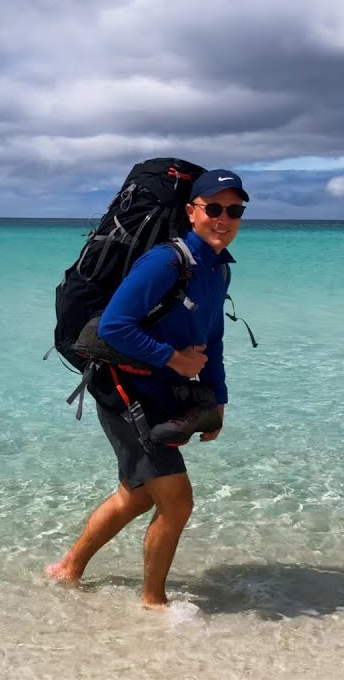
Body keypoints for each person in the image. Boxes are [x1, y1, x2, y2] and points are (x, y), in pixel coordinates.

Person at [46, 168, 249, 609]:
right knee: (177, 503)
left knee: (137, 495)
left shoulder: (217, 269)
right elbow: (115, 326)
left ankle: (68, 568)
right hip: (123, 389)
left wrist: (218, 398)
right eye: (213, 208)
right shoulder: (165, 262)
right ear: (191, 211)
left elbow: (213, 337)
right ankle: (154, 604)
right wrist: (174, 359)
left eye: (234, 211)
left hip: (159, 391)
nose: (223, 219)